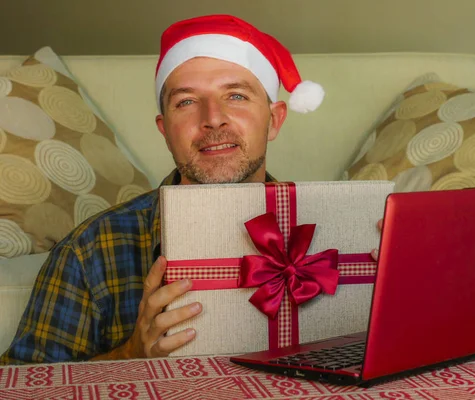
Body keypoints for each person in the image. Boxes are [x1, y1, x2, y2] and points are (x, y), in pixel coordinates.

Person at [0, 14, 326, 364]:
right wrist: (129, 355)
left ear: (274, 119)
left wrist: (392, 288)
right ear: (165, 129)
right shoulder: (88, 252)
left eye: (236, 95)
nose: (213, 117)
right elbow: (24, 384)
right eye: (186, 101)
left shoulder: (336, 232)